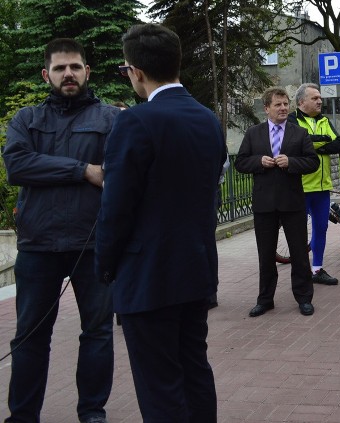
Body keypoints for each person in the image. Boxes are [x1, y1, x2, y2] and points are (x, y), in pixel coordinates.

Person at [95, 23, 227, 421]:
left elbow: (115, 208)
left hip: (148, 274)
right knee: (194, 370)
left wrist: (105, 266)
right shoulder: (207, 118)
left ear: (135, 71)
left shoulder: (135, 121)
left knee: (160, 385)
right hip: (195, 267)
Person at [2, 38, 119, 423]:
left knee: (98, 334)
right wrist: (83, 170)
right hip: (39, 245)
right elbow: (19, 166)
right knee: (30, 337)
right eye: (59, 68)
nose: (67, 74)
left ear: (87, 71)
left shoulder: (112, 120)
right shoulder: (26, 119)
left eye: (74, 67)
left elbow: (119, 173)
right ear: (46, 74)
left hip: (94, 245)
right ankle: (23, 416)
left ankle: (92, 412)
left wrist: (50, 167)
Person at [235, 87, 319, 317]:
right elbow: (241, 162)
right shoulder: (254, 133)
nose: (283, 108)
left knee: (299, 253)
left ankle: (304, 298)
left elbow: (312, 162)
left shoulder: (299, 133)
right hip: (264, 203)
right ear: (266, 108)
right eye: (278, 105)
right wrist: (258, 161)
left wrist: (291, 162)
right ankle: (265, 299)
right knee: (266, 253)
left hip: (292, 202)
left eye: (286, 104)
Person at [289, 83, 340, 286]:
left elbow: (339, 143)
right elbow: (294, 144)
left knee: (321, 229)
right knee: (297, 233)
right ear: (301, 102)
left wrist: (312, 147)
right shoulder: (291, 120)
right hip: (300, 187)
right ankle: (301, 271)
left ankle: (317, 269)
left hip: (322, 188)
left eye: (320, 97)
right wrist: (320, 143)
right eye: (315, 98)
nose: (320, 101)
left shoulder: (324, 120)